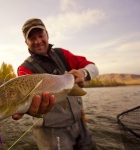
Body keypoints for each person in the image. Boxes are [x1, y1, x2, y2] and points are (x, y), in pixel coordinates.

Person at [12, 18, 99, 150]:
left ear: (47, 34)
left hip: (80, 123)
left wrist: (84, 73)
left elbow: (93, 67)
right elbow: (26, 101)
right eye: (32, 38)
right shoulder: (25, 69)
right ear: (26, 42)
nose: (38, 41)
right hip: (51, 132)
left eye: (41, 35)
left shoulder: (62, 54)